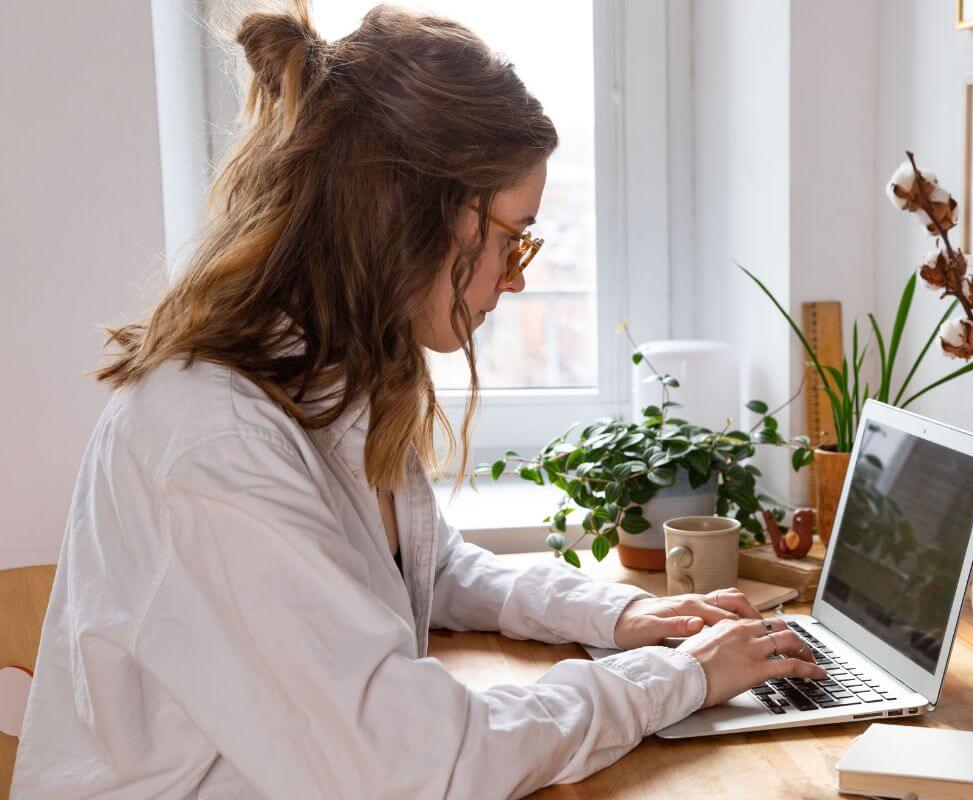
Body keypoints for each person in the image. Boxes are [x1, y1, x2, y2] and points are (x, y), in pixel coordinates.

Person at [11, 4, 823, 798]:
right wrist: (674, 678)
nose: (519, 276)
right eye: (515, 236)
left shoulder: (336, 375)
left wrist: (617, 617)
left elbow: (422, 566)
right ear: (412, 214)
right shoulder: (213, 441)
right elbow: (415, 764)